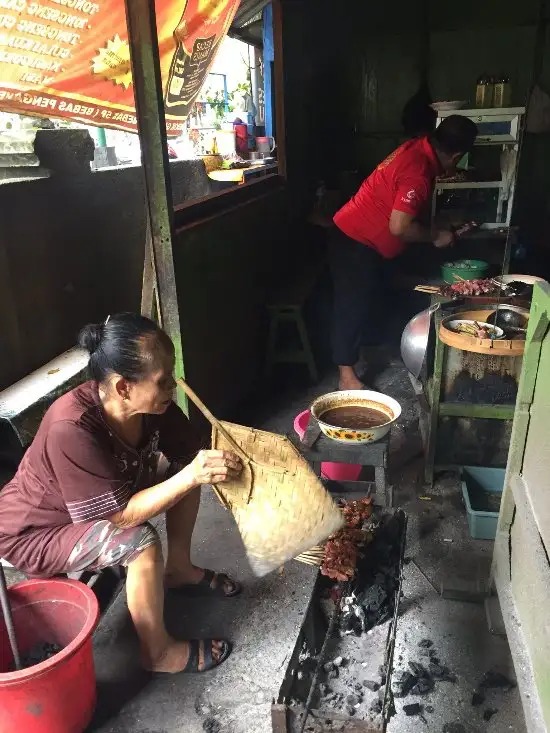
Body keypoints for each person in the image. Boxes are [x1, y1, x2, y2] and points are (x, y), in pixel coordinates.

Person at [0, 313, 243, 674]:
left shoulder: (153, 406)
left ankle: (177, 569)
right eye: (162, 382)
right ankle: (157, 652)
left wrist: (219, 466)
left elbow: (189, 456)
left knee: (188, 469)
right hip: (35, 533)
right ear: (123, 388)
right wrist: (192, 475)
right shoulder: (73, 427)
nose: (172, 388)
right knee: (139, 541)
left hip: (103, 501)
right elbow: (118, 518)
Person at [330, 114, 478, 390]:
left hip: (364, 238)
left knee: (371, 296)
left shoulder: (417, 147)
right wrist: (436, 235)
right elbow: (399, 227)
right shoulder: (418, 172)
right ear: (457, 155)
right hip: (354, 238)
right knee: (351, 305)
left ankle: (370, 350)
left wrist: (441, 225)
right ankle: (345, 376)